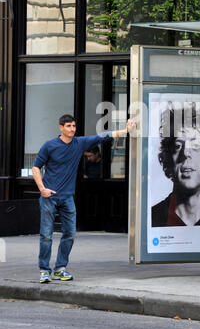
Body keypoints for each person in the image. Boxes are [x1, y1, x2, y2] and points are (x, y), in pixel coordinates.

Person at [32, 114, 136, 284]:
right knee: (46, 235)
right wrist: (42, 189)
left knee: (70, 234)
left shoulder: (79, 143)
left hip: (67, 198)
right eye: (68, 126)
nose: (72, 129)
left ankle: (60, 268)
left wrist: (126, 130)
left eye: (73, 126)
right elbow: (36, 167)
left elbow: (103, 137)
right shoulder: (50, 145)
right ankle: (44, 270)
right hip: (49, 197)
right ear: (60, 128)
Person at [152, 102, 200, 226]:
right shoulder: (154, 218)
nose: (186, 152)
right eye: (178, 146)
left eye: (196, 145)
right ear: (168, 160)